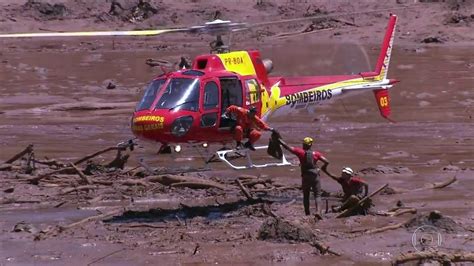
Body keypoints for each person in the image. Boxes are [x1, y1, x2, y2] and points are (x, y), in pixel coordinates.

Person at [278, 136, 331, 218]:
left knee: (306, 195)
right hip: (315, 176)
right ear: (311, 145)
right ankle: (318, 212)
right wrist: (322, 168)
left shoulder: (300, 152)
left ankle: (307, 213)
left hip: (305, 176)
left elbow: (287, 147)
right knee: (317, 195)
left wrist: (279, 140)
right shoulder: (316, 154)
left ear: (304, 144)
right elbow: (327, 161)